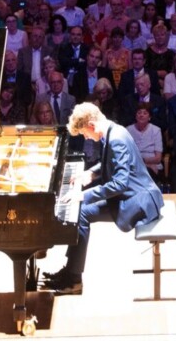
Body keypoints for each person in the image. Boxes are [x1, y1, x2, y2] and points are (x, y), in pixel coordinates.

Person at [41, 102, 163, 295]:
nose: (86, 137)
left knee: (81, 213)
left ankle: (74, 279)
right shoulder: (113, 130)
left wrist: (83, 194)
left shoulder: (116, 139)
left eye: (84, 133)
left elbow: (120, 184)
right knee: (80, 212)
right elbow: (108, 162)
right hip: (132, 194)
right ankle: (70, 271)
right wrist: (89, 174)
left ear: (91, 125)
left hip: (137, 200)